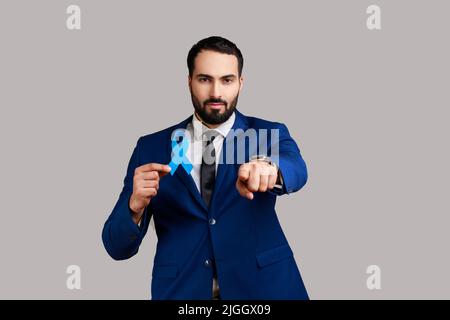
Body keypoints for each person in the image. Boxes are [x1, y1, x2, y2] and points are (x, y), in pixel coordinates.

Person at [102, 36, 309, 300]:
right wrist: (134, 207)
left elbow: (297, 168)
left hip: (264, 290)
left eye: (227, 80)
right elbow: (116, 247)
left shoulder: (267, 134)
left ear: (241, 83)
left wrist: (271, 168)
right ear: (189, 81)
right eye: (204, 79)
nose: (215, 93)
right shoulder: (150, 147)